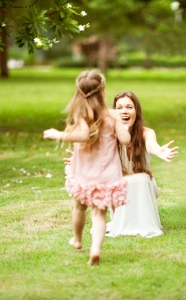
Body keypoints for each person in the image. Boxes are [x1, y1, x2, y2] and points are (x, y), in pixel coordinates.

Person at [43, 70, 131, 265]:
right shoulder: (111, 116)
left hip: (85, 174)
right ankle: (95, 250)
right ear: (103, 91)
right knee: (100, 213)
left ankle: (77, 239)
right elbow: (126, 140)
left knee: (79, 206)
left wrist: (59, 134)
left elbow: (83, 135)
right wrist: (120, 124)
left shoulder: (83, 115)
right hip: (107, 174)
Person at [105, 91, 178, 238]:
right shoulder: (109, 134)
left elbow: (151, 144)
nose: (124, 111)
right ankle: (120, 222)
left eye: (129, 107)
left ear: (136, 111)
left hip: (145, 184)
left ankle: (146, 223)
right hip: (118, 184)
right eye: (119, 108)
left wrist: (159, 152)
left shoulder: (146, 132)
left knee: (142, 178)